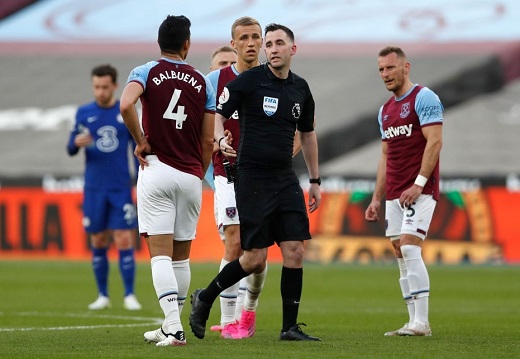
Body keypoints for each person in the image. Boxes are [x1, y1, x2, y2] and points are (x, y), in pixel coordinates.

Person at [189, 23, 321, 342]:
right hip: (252, 177)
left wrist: (315, 179)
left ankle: (289, 328)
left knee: (295, 250)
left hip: (285, 177)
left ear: (293, 49)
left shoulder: (300, 88)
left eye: (279, 43)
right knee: (254, 258)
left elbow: (307, 133)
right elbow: (219, 115)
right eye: (270, 44)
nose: (273, 48)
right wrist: (220, 139)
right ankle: (205, 298)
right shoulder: (249, 80)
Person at [119, 15, 215, 347]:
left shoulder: (145, 71)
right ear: (187, 44)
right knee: (181, 258)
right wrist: (198, 173)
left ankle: (173, 327)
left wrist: (141, 139)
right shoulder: (203, 81)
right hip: (191, 175)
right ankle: (168, 325)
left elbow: (126, 104)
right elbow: (207, 140)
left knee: (160, 255)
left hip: (157, 170)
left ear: (159, 43)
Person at [365, 46, 443, 337]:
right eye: (381, 69)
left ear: (405, 67)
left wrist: (419, 183)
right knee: (400, 252)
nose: (385, 74)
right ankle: (411, 321)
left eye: (390, 68)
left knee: (410, 247)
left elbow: (434, 142)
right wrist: (376, 198)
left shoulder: (424, 98)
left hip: (419, 189)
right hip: (395, 193)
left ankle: (422, 322)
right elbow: (386, 156)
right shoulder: (385, 111)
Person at [205, 17, 268, 340]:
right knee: (234, 240)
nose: (250, 42)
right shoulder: (215, 81)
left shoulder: (274, 79)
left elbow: (300, 130)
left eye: (255, 36)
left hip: (264, 178)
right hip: (226, 174)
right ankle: (228, 320)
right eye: (243, 37)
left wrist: (282, 158)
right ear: (234, 42)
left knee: (258, 255)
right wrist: (217, 142)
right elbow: (200, 124)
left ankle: (249, 311)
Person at [66, 64, 142, 312]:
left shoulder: (125, 112)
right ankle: (103, 295)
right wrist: (76, 143)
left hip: (120, 187)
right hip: (94, 188)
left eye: (105, 87)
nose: (100, 91)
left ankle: (129, 294)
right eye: (96, 87)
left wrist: (139, 183)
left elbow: (137, 150)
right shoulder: (83, 112)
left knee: (123, 238)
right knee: (98, 240)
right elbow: (70, 148)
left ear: (114, 86)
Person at [203, 45, 238, 190]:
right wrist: (217, 145)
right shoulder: (202, 105)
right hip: (215, 175)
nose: (228, 68)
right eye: (223, 64)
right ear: (211, 71)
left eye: (233, 64)